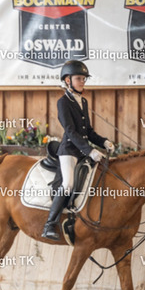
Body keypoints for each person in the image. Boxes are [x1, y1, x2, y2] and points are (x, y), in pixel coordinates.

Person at [41, 60, 115, 241]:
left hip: (82, 150)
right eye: (79, 78)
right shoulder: (63, 102)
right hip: (68, 151)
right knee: (68, 184)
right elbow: (70, 131)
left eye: (84, 79)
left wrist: (104, 142)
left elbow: (87, 131)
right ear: (68, 80)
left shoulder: (83, 101)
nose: (82, 82)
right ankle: (50, 224)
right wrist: (89, 151)